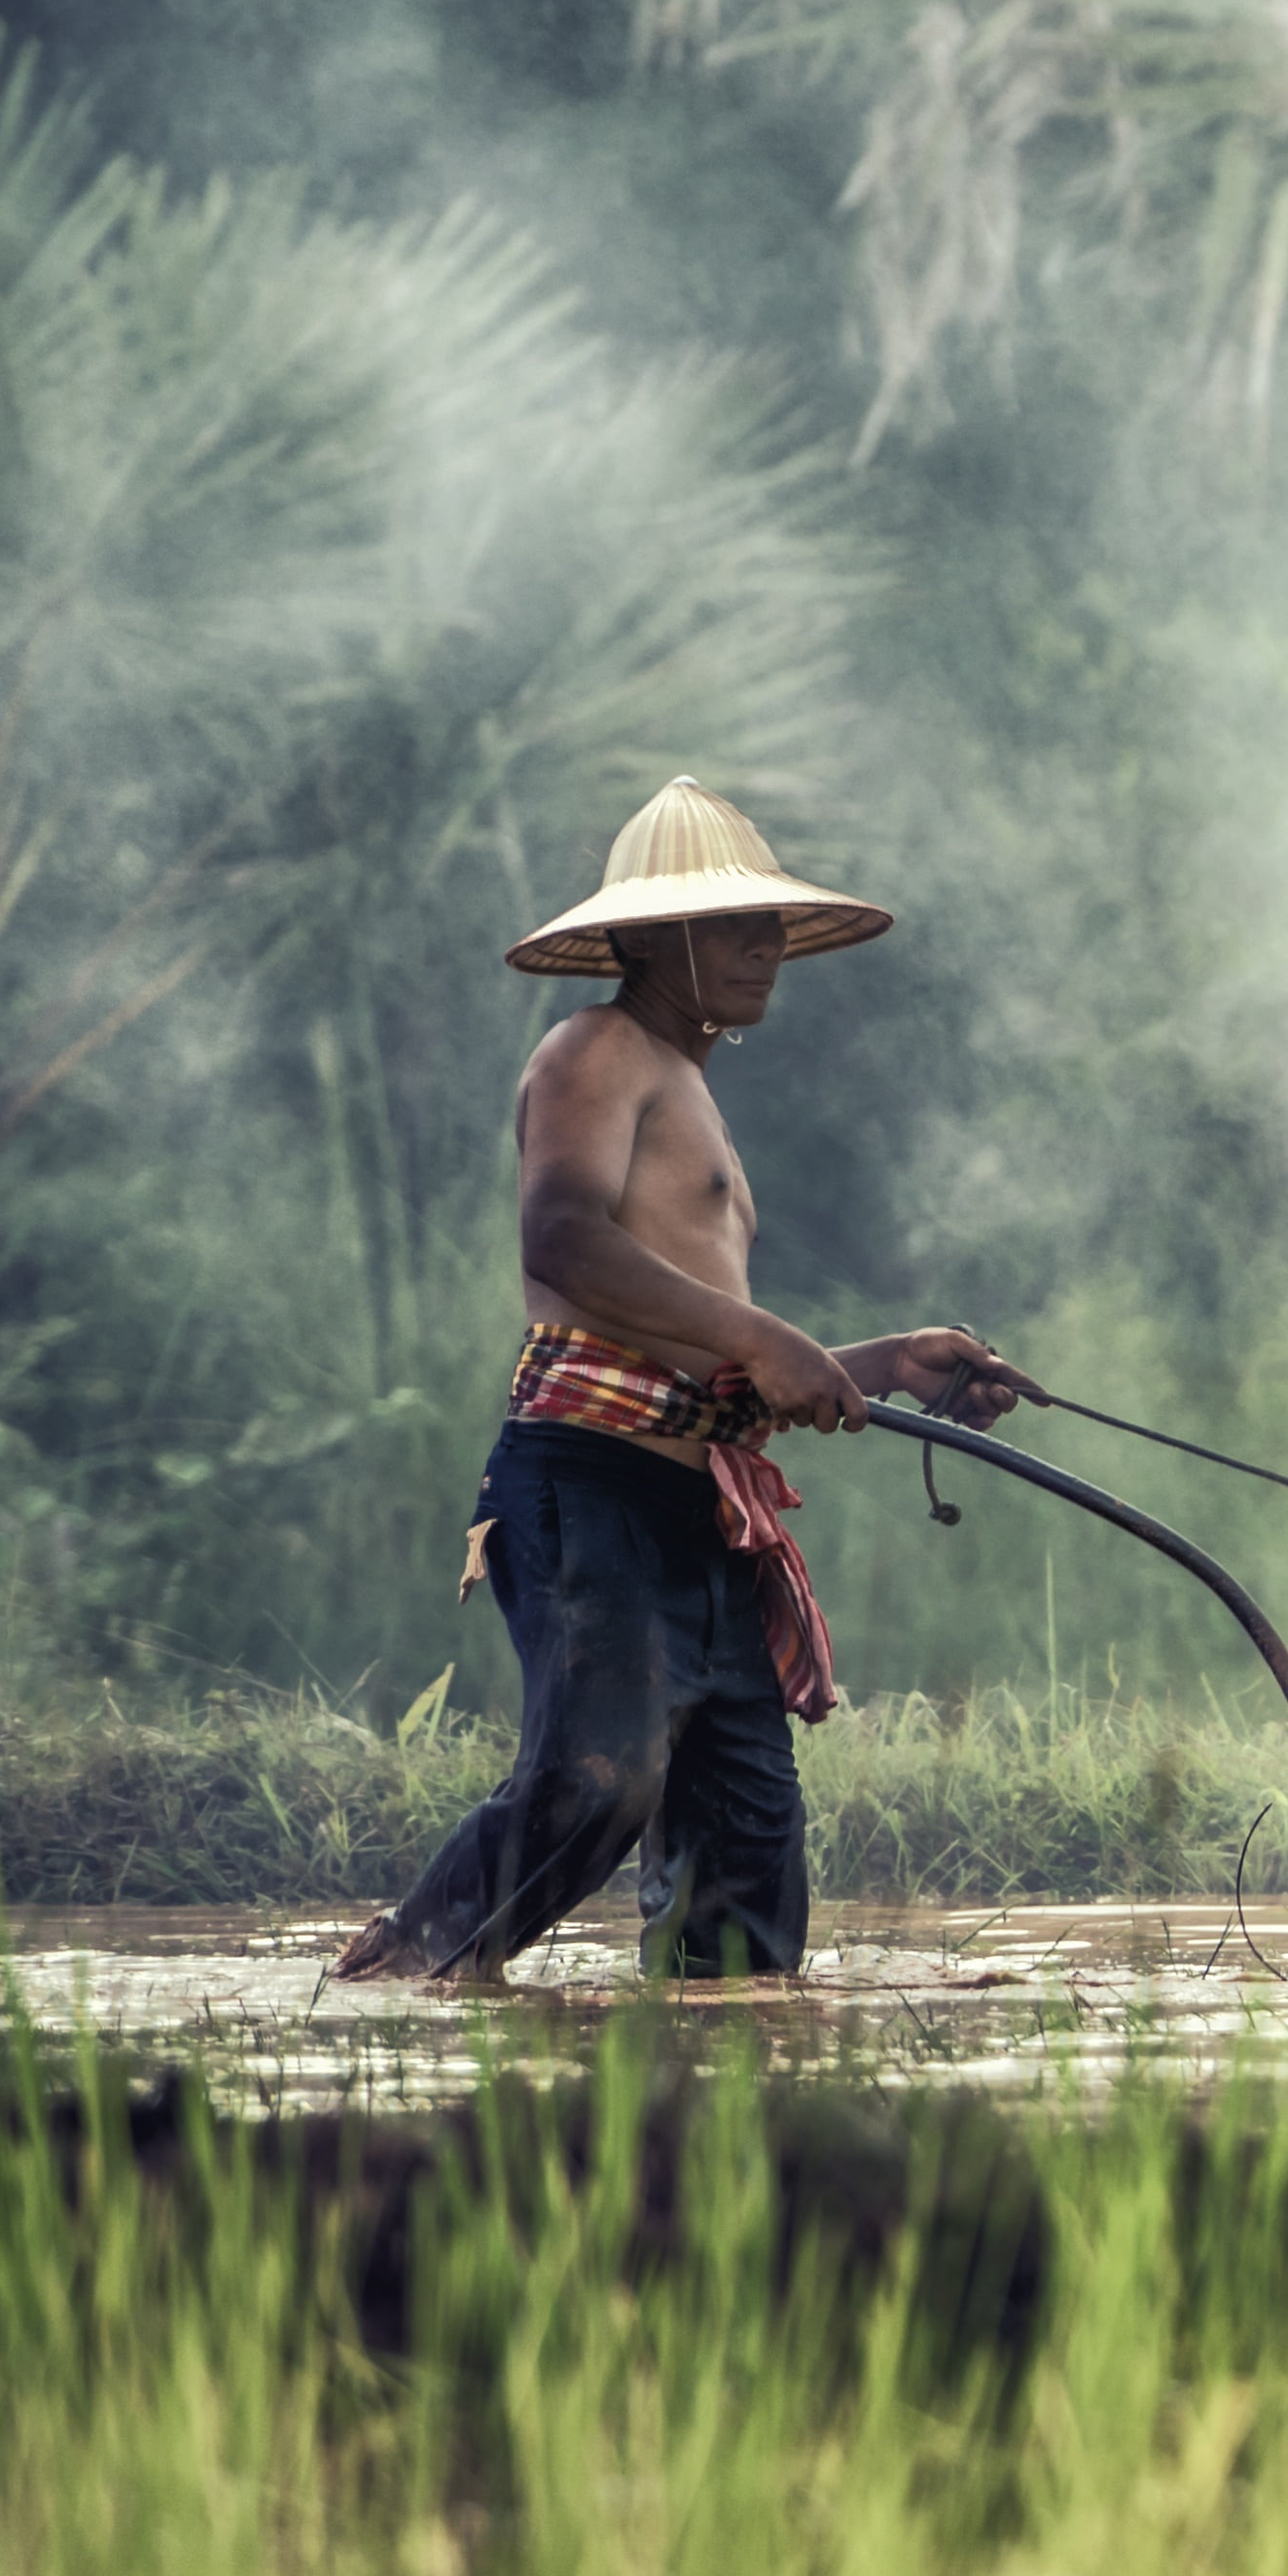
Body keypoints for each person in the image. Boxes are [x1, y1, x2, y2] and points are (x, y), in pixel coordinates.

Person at [336, 779, 1033, 1985]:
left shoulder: (691, 1089)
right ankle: (393, 1984)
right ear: (654, 939)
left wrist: (885, 1365)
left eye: (769, 925)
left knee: (747, 1869)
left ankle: (713, 2091)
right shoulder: (593, 1049)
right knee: (600, 1776)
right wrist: (766, 1337)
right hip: (588, 1495)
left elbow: (698, 1354)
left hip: (695, 1510)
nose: (765, 948)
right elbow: (559, 1240)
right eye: (732, 926)